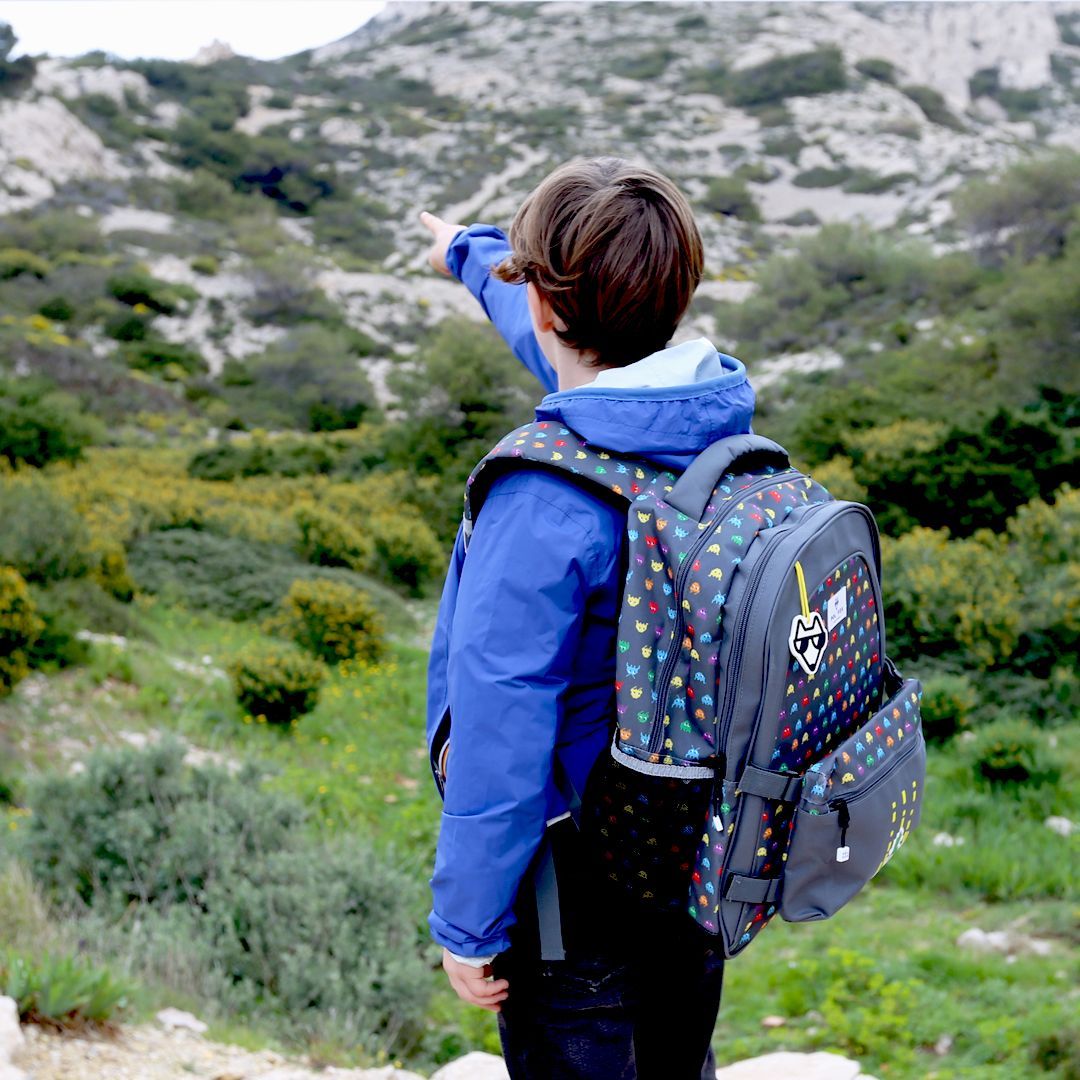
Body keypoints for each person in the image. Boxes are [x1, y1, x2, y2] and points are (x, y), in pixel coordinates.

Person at [421, 158, 756, 1079]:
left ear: (544, 304)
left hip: (572, 894)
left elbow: (500, 722)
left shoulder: (542, 496)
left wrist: (470, 922)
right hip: (694, 860)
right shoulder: (708, 427)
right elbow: (570, 349)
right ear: (675, 297)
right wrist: (466, 253)